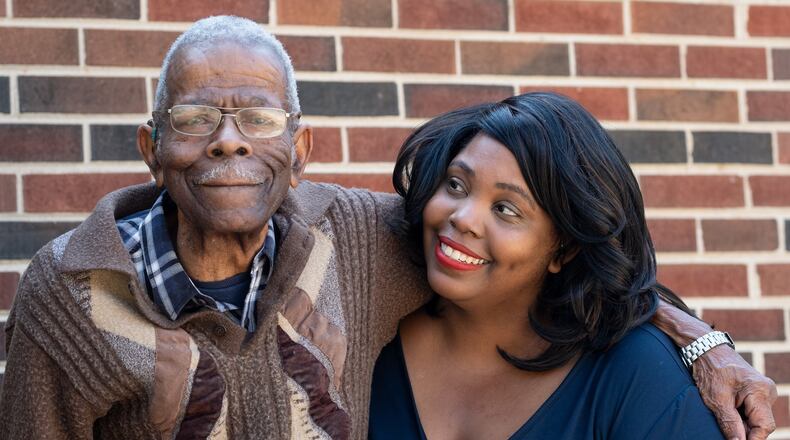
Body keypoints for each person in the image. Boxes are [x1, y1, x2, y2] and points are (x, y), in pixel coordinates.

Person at [0, 16, 775, 440]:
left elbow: (568, 266)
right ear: (152, 148)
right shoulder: (69, 296)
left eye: (258, 118)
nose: (229, 140)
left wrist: (699, 340)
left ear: (298, 151)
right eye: (196, 117)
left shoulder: (354, 247)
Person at [368, 93, 757, 439]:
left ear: (564, 249)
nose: (463, 217)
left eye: (506, 209)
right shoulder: (366, 334)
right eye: (456, 185)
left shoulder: (638, 376)